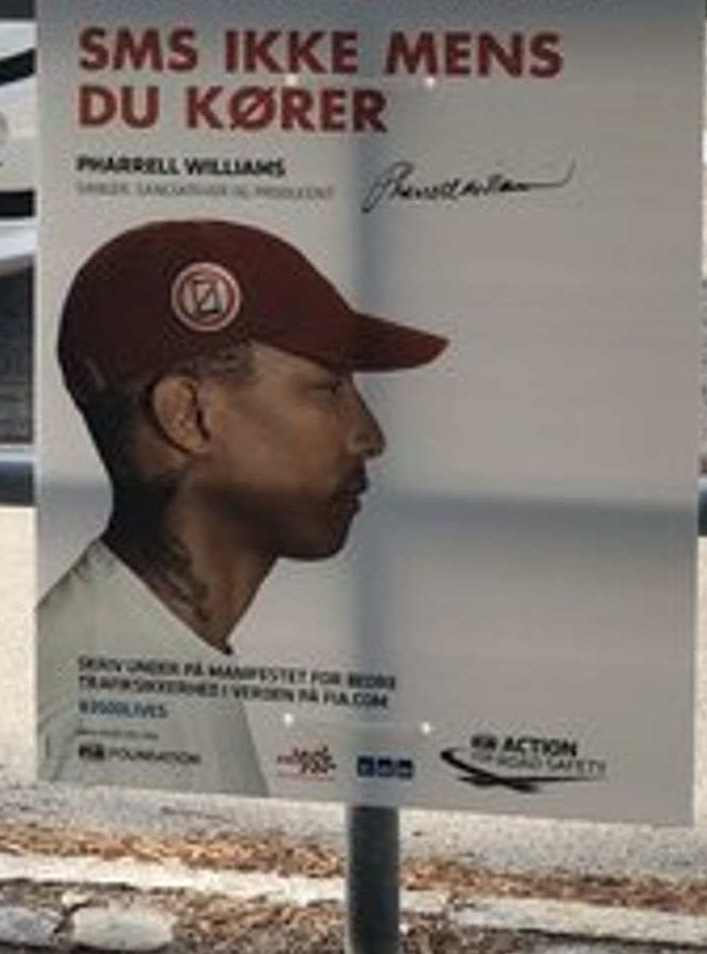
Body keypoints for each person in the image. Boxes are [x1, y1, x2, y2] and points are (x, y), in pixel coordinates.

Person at [36, 218, 446, 792]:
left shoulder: (149, 656)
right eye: (329, 389)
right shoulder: (100, 725)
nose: (369, 436)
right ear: (189, 416)